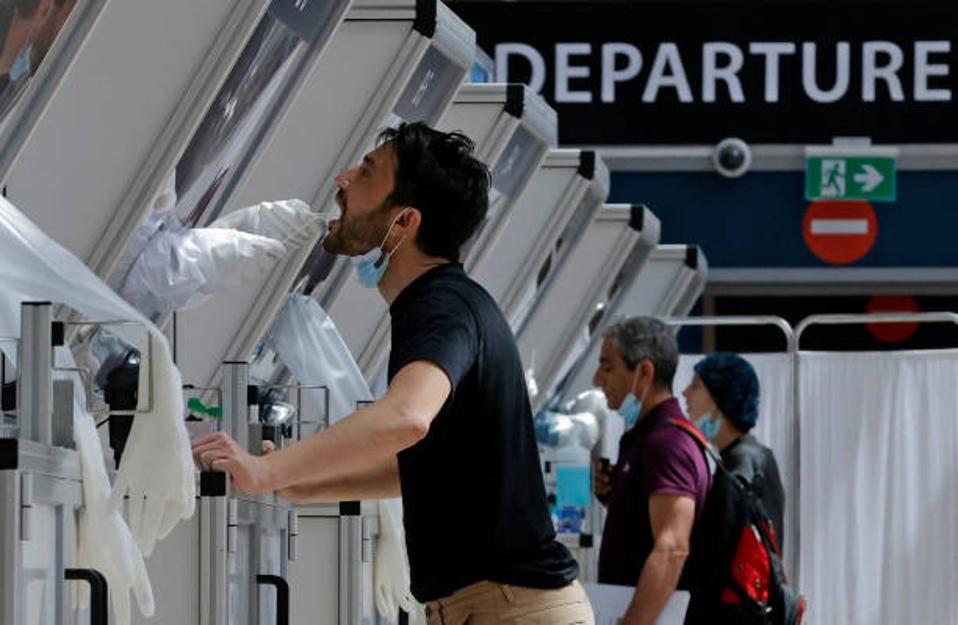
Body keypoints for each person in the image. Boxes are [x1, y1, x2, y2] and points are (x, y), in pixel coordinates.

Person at [192, 122, 592, 624]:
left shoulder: (442, 307)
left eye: (367, 172)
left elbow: (406, 418)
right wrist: (297, 483)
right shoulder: (440, 303)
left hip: (510, 609)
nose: (343, 180)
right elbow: (423, 468)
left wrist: (271, 469)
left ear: (403, 223)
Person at [591, 317, 710, 625]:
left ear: (644, 371)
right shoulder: (643, 439)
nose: (597, 379)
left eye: (608, 367)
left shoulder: (667, 443)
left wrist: (633, 622)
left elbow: (673, 547)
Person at [681, 352, 785, 543]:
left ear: (718, 397)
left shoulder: (735, 473)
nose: (685, 393)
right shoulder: (762, 456)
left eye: (696, 385)